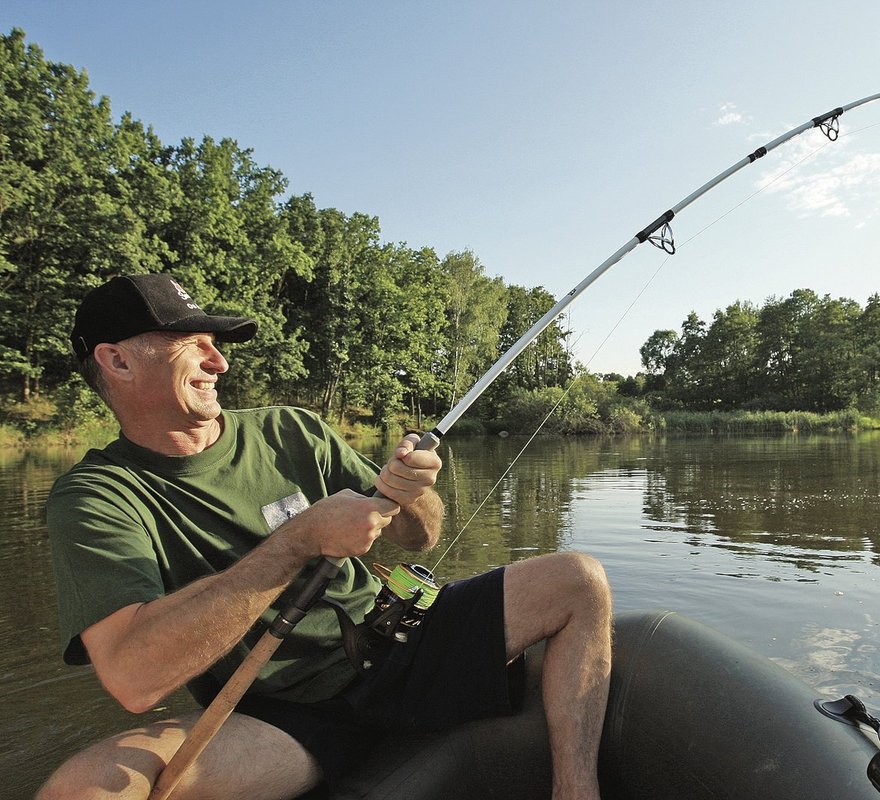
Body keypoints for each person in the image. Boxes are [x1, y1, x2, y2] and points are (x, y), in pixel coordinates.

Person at [37, 273, 613, 800]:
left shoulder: (292, 431)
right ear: (116, 360)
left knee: (577, 580)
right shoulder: (95, 498)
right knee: (83, 789)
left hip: (403, 645)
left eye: (217, 345)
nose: (220, 363)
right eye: (193, 343)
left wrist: (408, 491)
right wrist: (296, 542)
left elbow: (422, 538)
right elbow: (133, 678)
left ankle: (575, 790)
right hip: (282, 715)